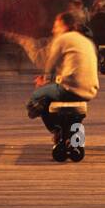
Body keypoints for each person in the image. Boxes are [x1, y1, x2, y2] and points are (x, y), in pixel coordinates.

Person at [14, 11, 99, 142]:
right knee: (53, 95)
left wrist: (45, 80)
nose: (53, 30)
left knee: (37, 98)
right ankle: (76, 138)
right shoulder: (85, 40)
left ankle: (58, 130)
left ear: (64, 26)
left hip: (72, 88)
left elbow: (50, 64)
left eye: (56, 26)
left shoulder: (62, 39)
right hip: (90, 89)